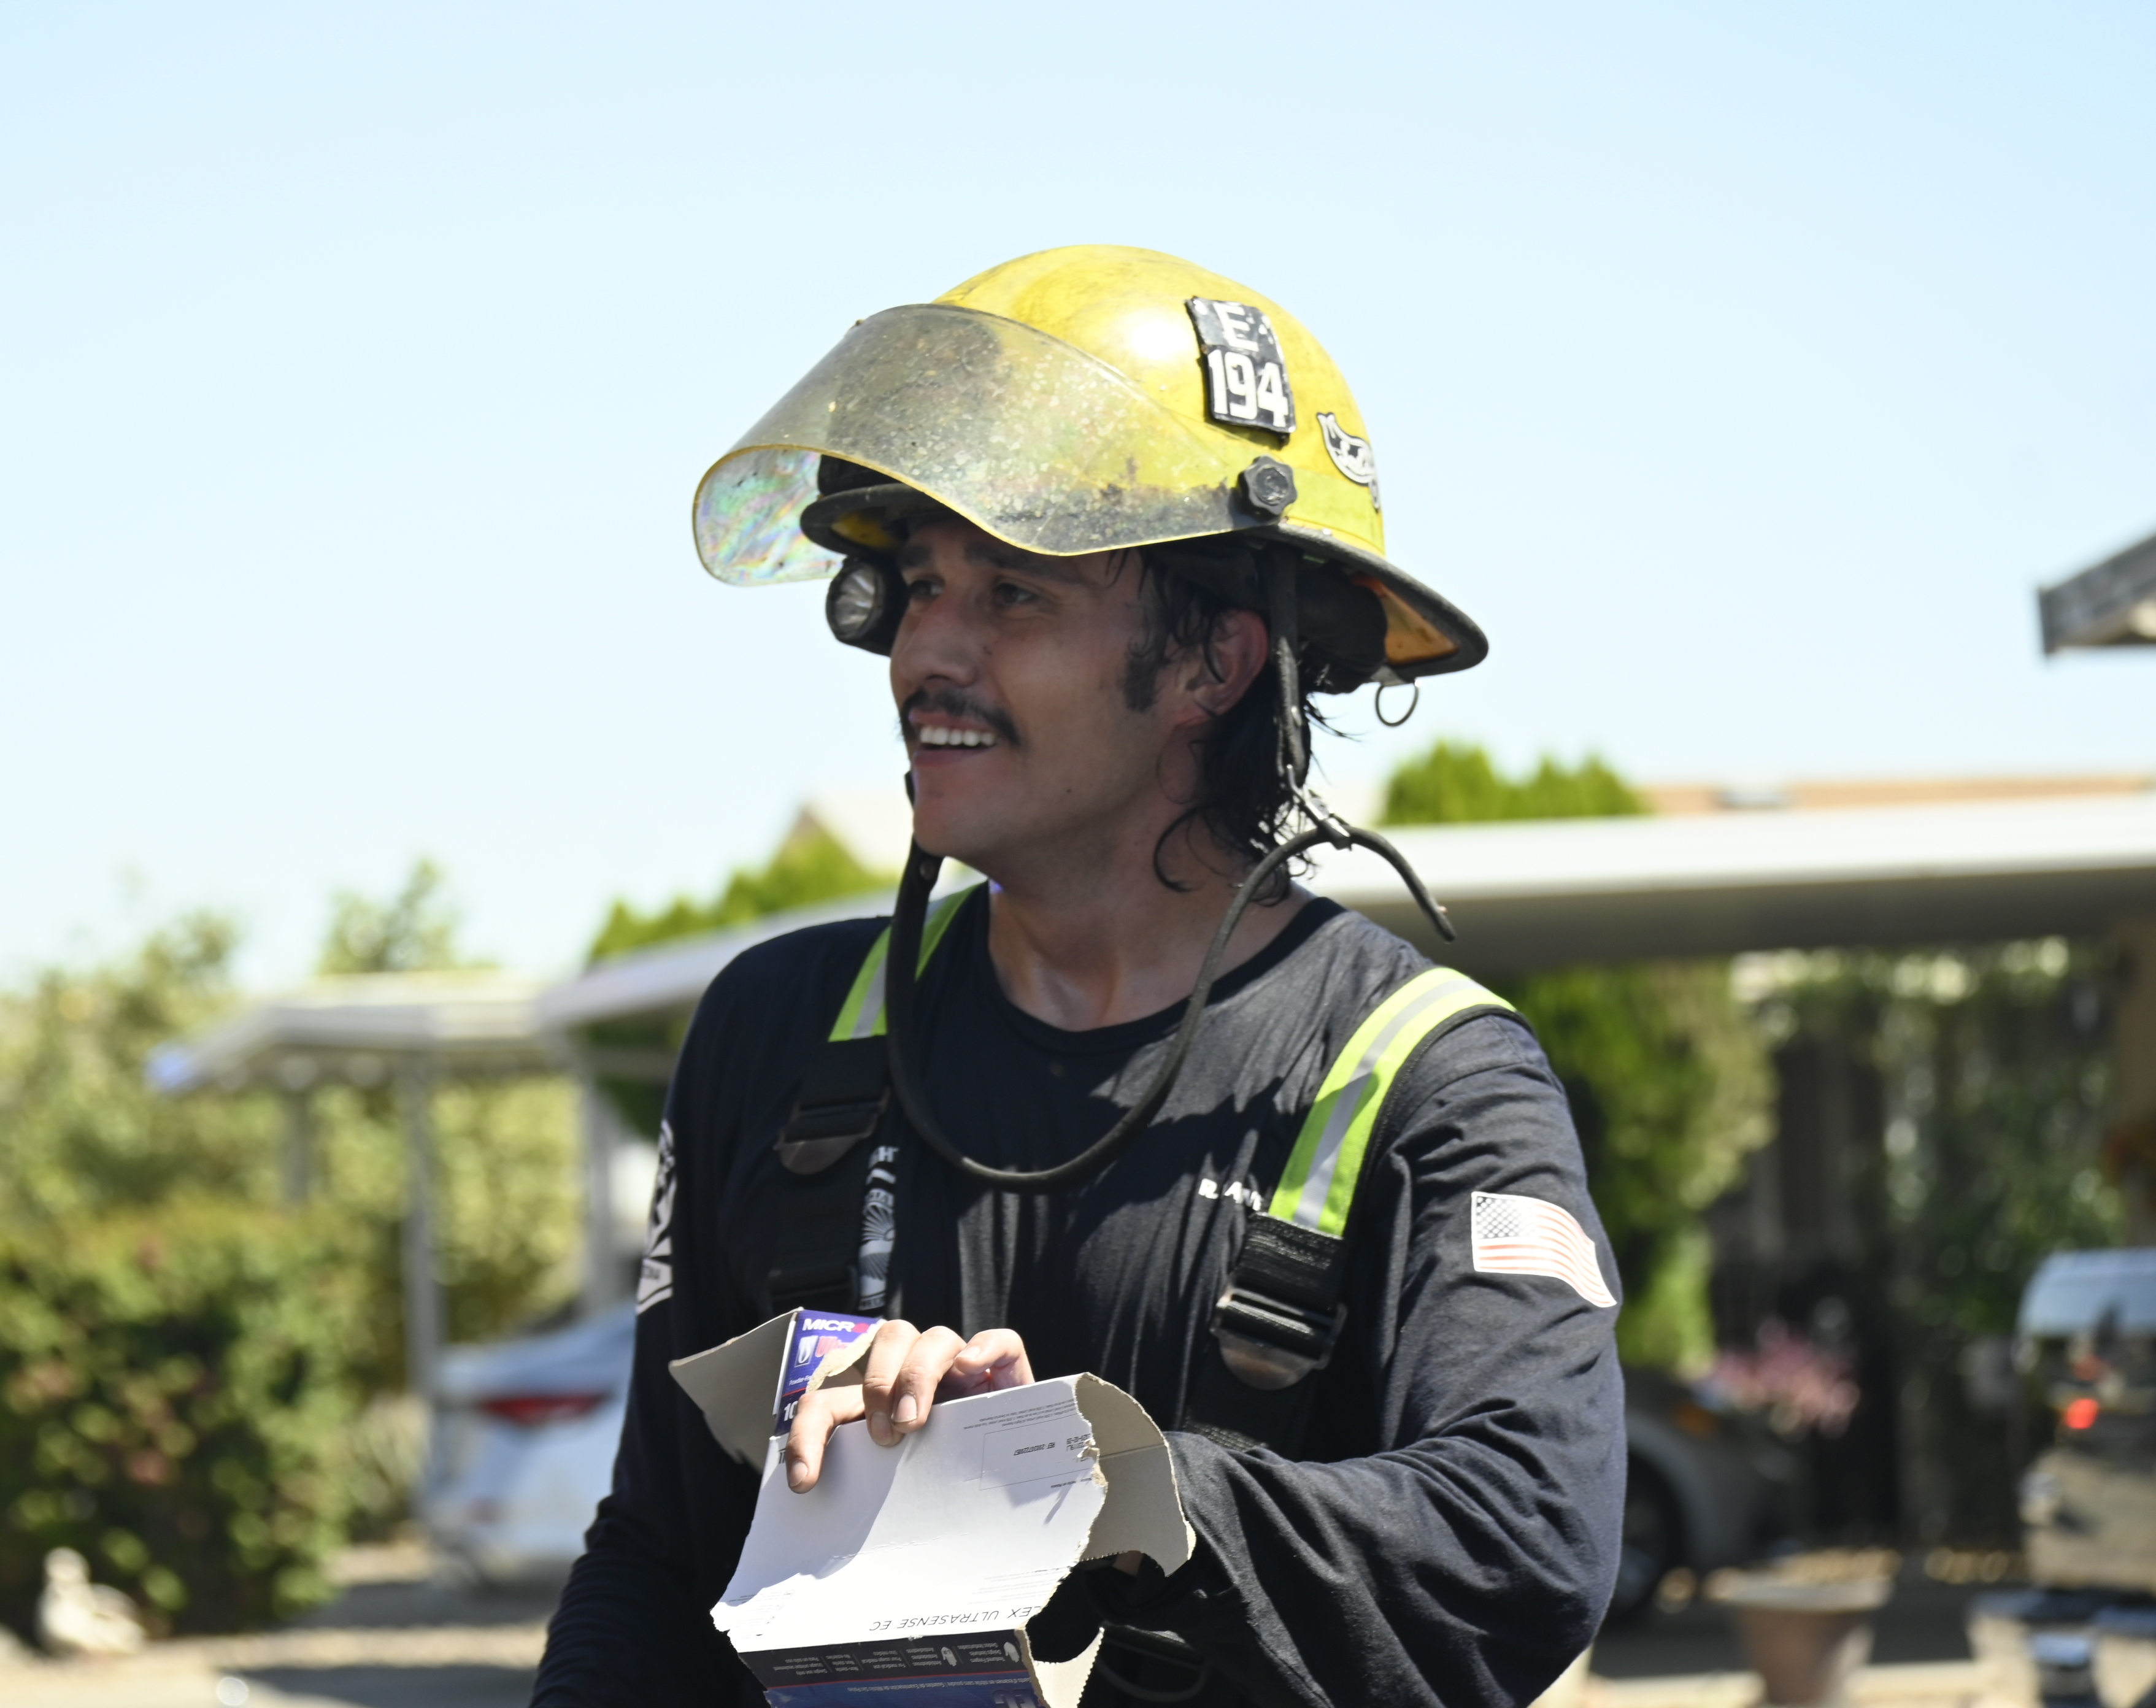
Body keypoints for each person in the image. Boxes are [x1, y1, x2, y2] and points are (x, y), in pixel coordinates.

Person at [532, 245, 1623, 1708]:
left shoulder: (1432, 1081)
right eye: (920, 585)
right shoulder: (778, 1035)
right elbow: (660, 1559)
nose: (925, 650)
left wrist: (1100, 1480)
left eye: (1012, 593)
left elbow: (1521, 1541)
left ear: (1212, 664)